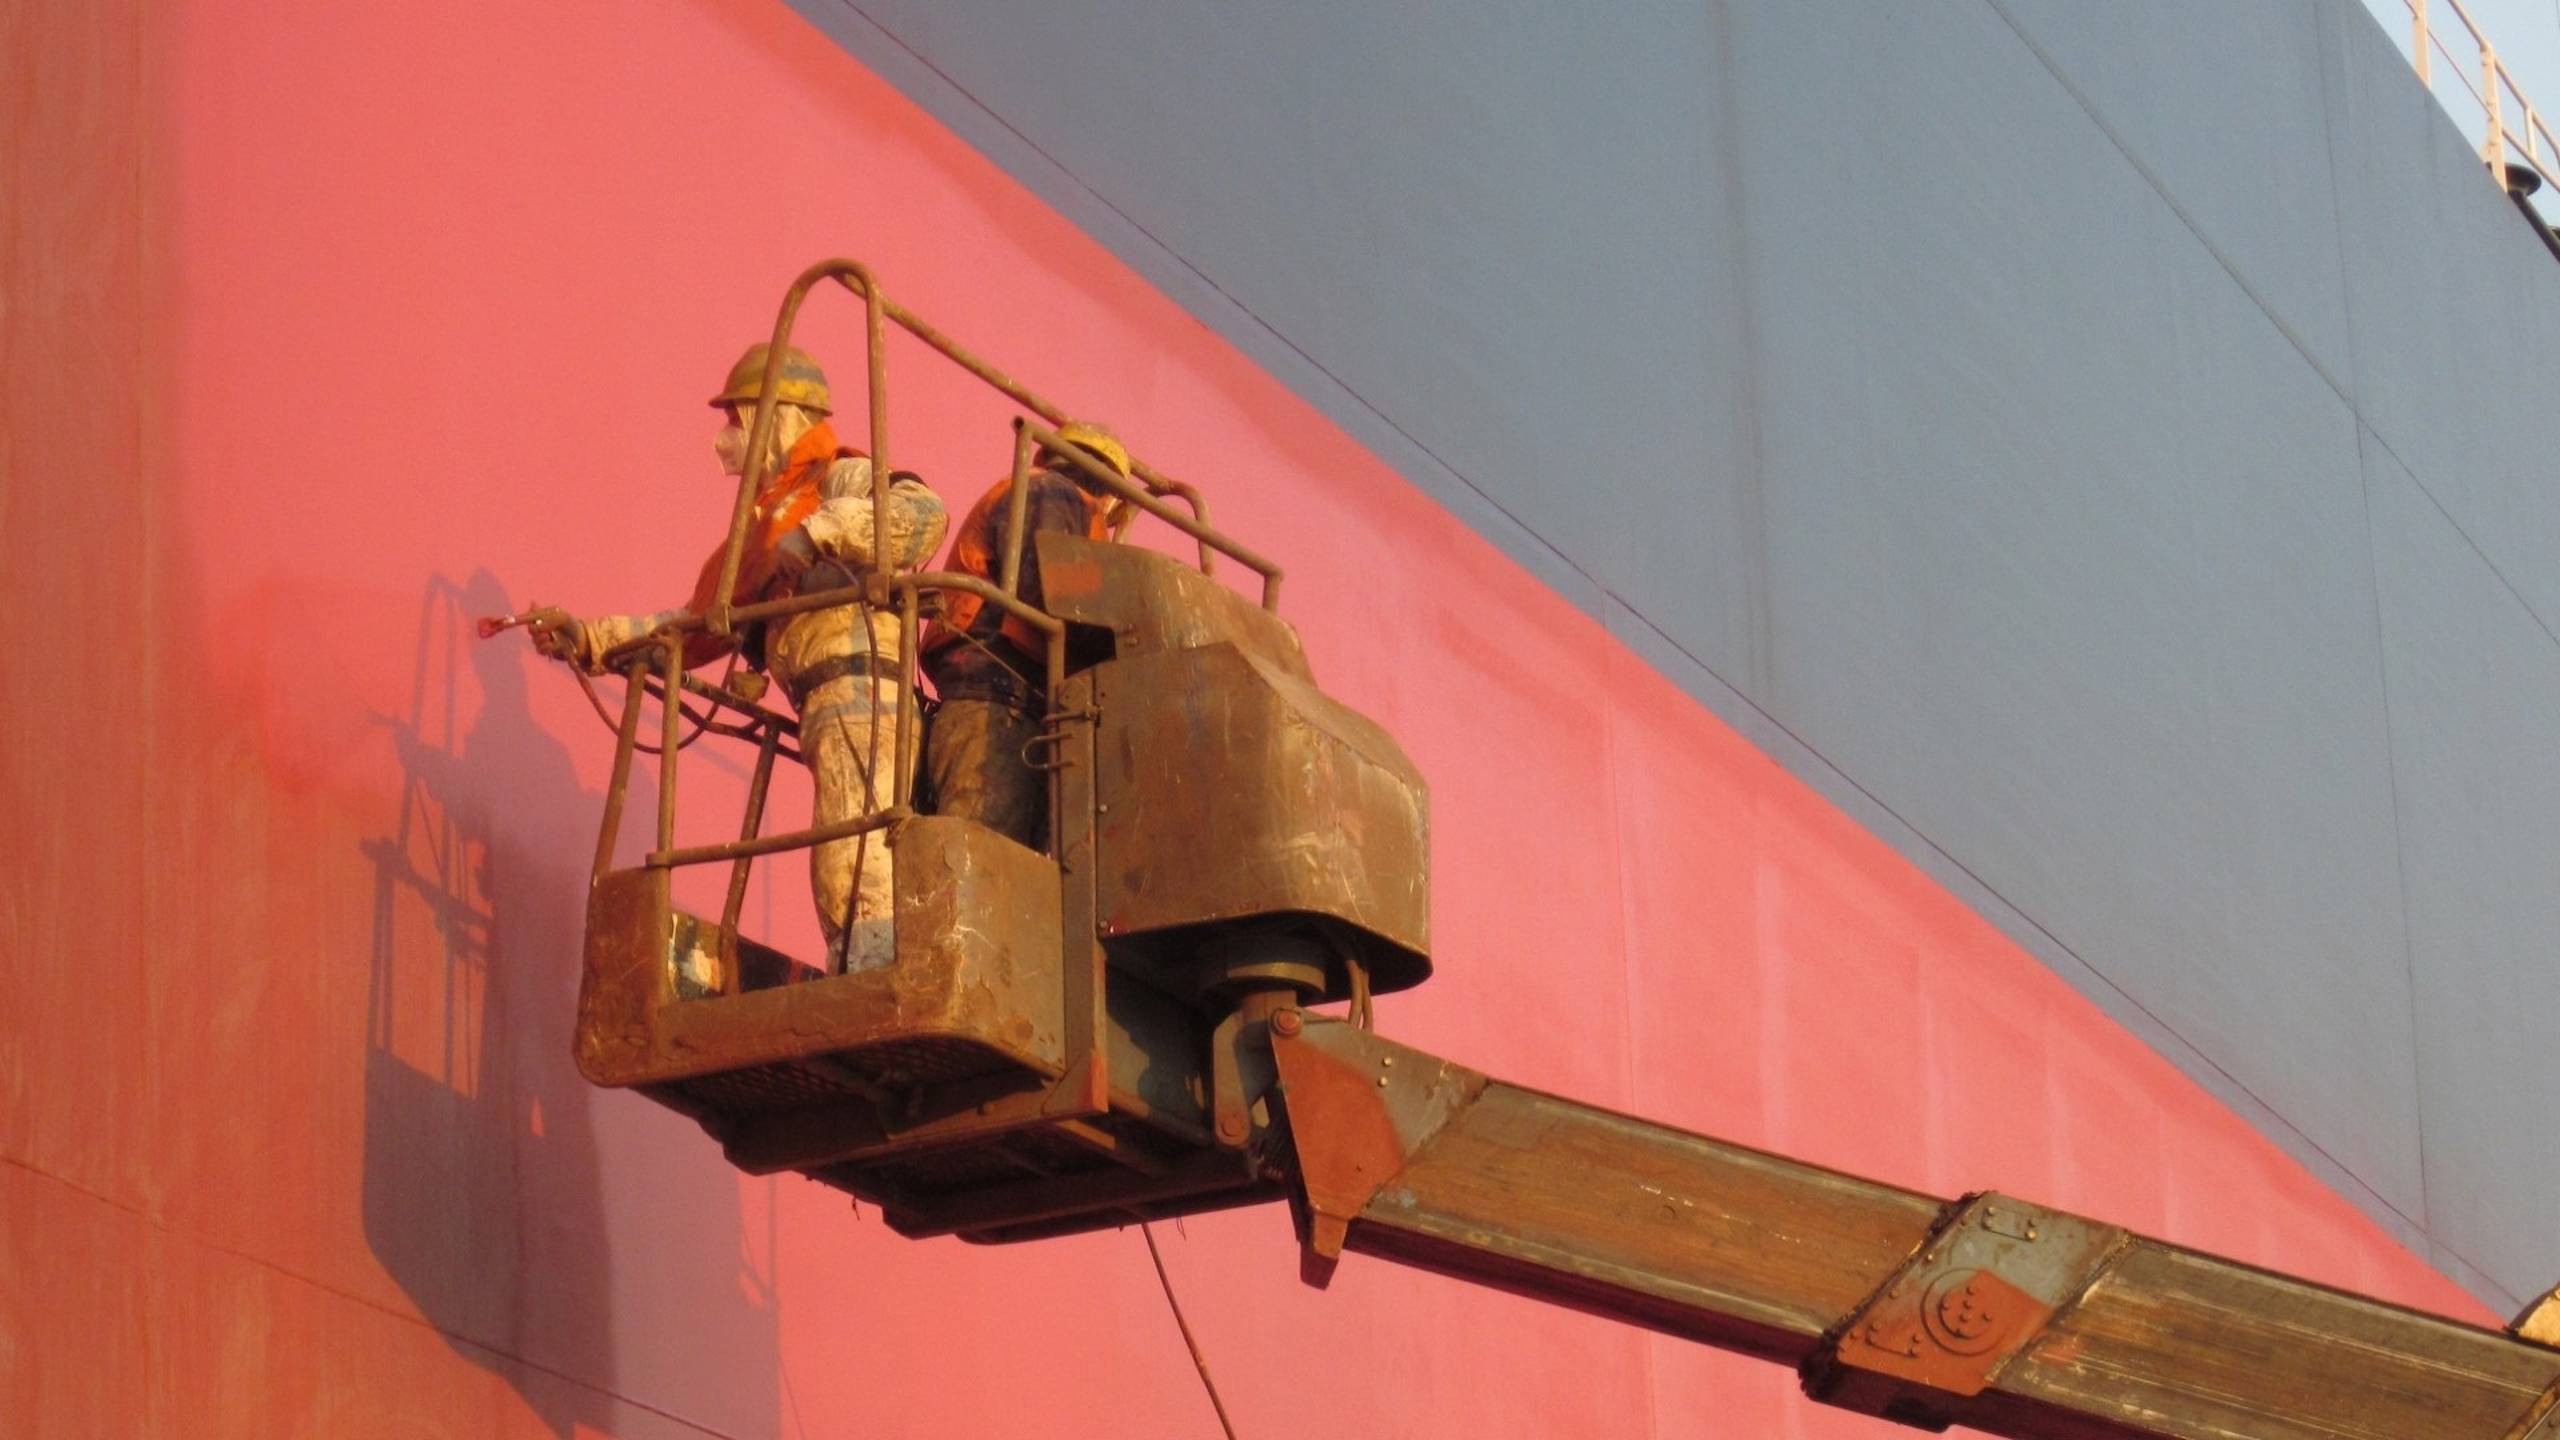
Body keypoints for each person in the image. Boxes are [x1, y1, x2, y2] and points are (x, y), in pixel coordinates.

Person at [543, 344, 946, 973]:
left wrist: (820, 532)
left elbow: (922, 515)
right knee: (854, 851)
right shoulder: (762, 527)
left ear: (779, 416)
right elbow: (699, 625)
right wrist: (591, 639)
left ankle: (873, 986)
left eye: (736, 420)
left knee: (853, 856)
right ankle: (869, 978)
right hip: (831, 702)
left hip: (864, 695)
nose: (724, 441)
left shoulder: (836, 478)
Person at [920, 422, 1130, 851]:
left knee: (1007, 866)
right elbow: (1050, 592)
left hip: (1011, 700)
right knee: (980, 852)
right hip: (996, 696)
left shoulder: (1042, 492)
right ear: (1112, 497)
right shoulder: (1054, 495)